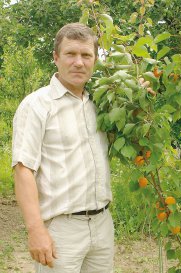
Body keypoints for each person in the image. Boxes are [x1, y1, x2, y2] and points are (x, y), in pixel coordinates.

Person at [12, 23, 114, 273]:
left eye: (86, 55)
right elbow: (23, 169)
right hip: (61, 229)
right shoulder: (37, 105)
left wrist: (138, 101)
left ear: (94, 61)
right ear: (56, 58)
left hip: (103, 224)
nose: (79, 62)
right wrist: (36, 230)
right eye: (70, 54)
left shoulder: (101, 104)